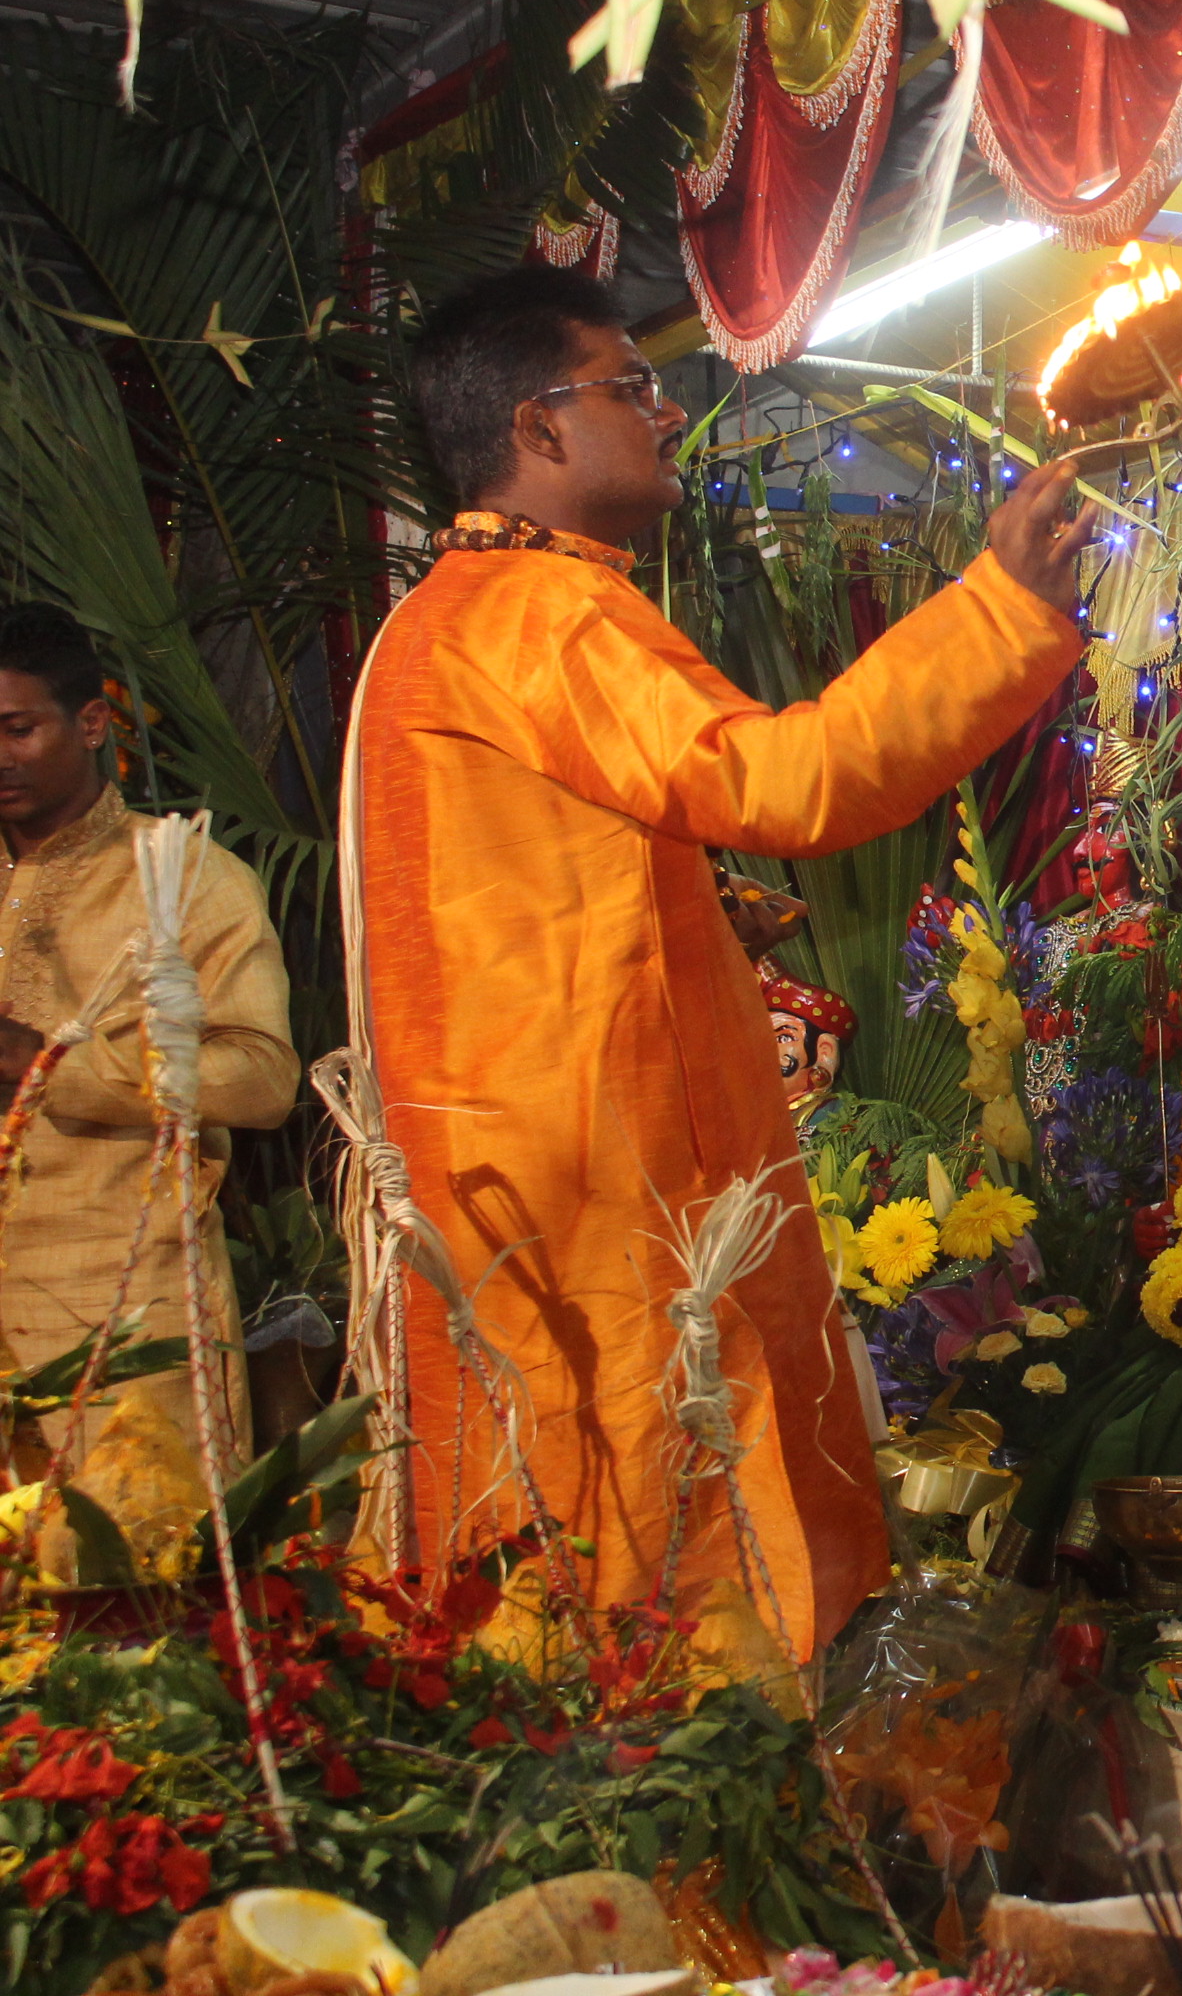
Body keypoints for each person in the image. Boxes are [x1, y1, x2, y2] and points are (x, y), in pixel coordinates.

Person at [352, 265, 1094, 1656]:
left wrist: (694, 916)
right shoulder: (539, 613)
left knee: (550, 1602)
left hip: (525, 1216)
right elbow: (789, 779)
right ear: (543, 429)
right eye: (629, 386)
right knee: (687, 1619)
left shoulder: (439, 620)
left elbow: (532, 913)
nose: (664, 411)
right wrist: (1001, 609)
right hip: (614, 1228)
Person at [0, 601, 296, 1463]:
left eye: (18, 729)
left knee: (138, 1581)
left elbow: (262, 1077)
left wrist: (53, 1066)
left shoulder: (189, 877)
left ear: (93, 722)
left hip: (125, 1305)